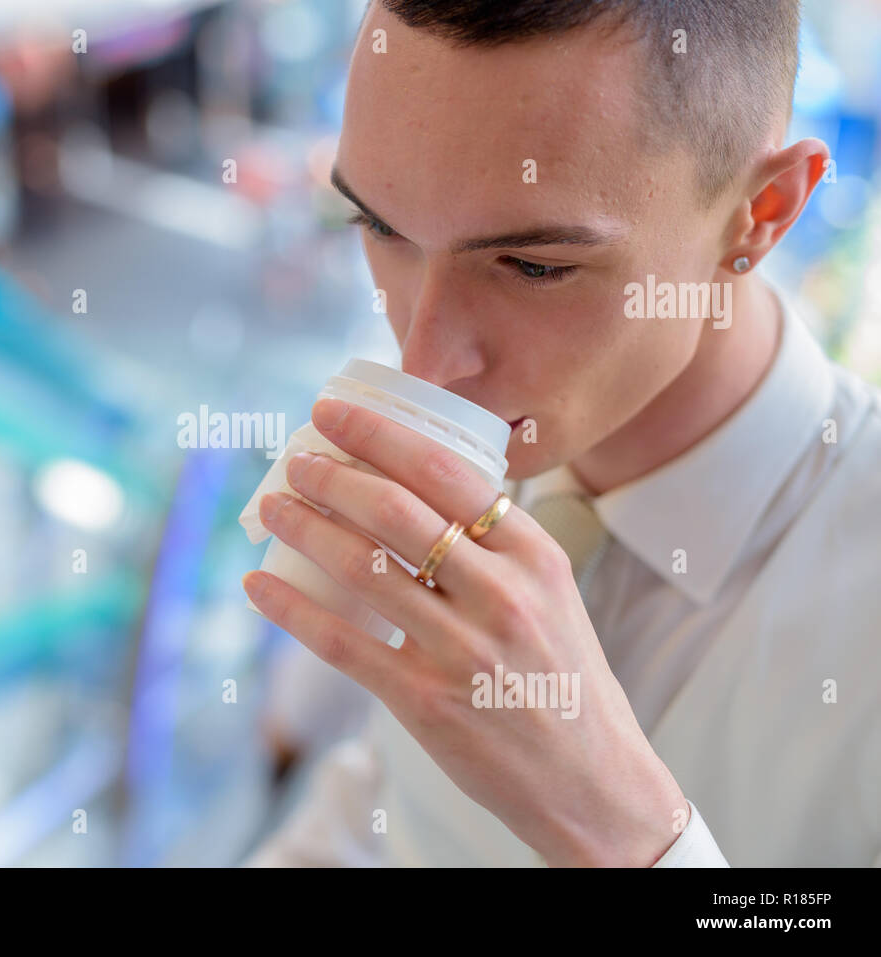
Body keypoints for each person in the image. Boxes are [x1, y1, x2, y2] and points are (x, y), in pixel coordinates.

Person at [240, 0, 881, 866]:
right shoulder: (463, 462)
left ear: (761, 212)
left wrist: (631, 836)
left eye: (535, 266)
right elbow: (375, 816)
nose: (424, 360)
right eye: (380, 227)